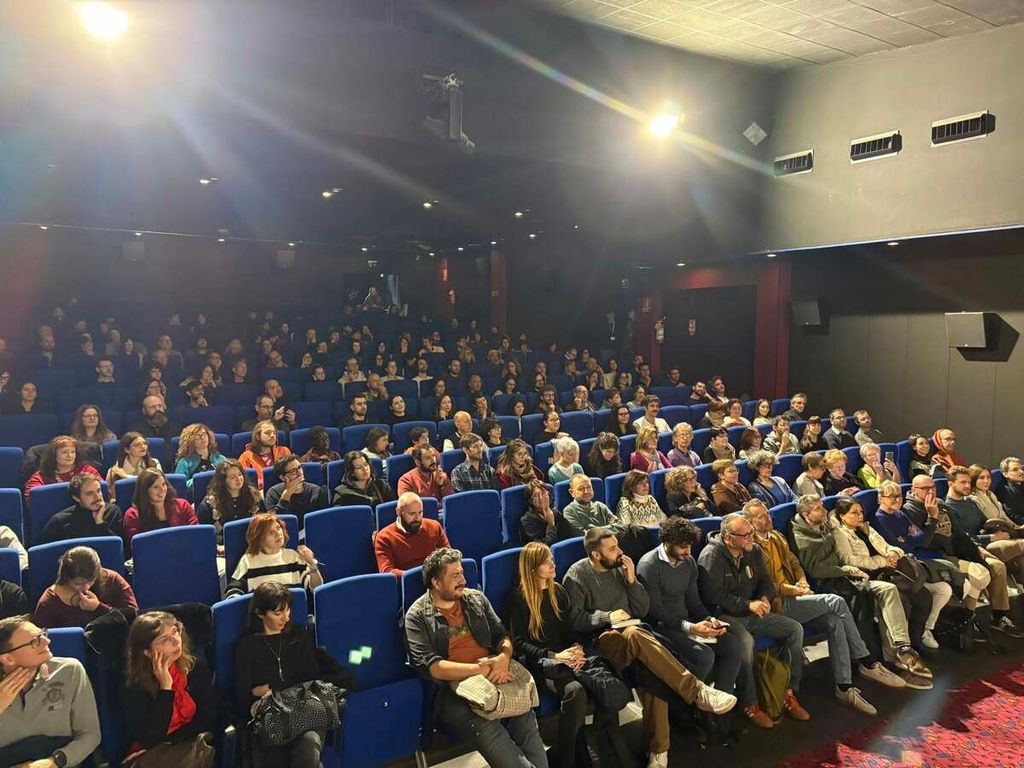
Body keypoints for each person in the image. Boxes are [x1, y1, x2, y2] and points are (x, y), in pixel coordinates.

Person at [563, 528, 737, 767]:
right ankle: (697, 691)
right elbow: (574, 620)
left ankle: (659, 751)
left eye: (618, 545)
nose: (620, 551)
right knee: (636, 634)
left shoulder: (620, 569)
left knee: (654, 676)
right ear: (595, 555)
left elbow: (642, 609)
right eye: (612, 549)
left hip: (634, 634)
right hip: (603, 640)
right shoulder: (577, 575)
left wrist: (632, 581)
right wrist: (606, 616)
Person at [743, 500, 905, 711]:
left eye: (767, 514)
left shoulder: (777, 537)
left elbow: (794, 562)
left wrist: (802, 581)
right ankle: (865, 658)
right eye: (762, 517)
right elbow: (762, 585)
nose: (769, 518)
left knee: (834, 621)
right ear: (750, 522)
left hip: (796, 594)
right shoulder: (751, 547)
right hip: (778, 603)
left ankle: (844, 687)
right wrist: (793, 589)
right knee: (835, 601)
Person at [405, 548, 549, 768]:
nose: (463, 580)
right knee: (493, 734)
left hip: (496, 675)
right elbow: (433, 666)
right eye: (455, 576)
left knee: (526, 721)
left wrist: (503, 658)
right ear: (436, 582)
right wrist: (480, 670)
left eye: (462, 573)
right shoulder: (416, 616)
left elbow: (502, 636)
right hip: (454, 691)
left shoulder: (475, 598)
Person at [790, 495, 932, 686]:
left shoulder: (825, 525)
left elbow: (837, 520)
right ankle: (870, 662)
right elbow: (816, 570)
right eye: (818, 508)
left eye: (822, 506)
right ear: (806, 515)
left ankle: (900, 649)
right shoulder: (803, 537)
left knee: (891, 592)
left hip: (848, 577)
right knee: (865, 602)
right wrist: (846, 570)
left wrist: (885, 550)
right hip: (830, 583)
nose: (824, 510)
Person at [509, 541, 630, 767]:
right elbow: (520, 643)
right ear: (533, 568)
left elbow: (570, 630)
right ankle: (571, 757)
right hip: (544, 663)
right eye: (546, 562)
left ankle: (597, 747)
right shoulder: (520, 598)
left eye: (551, 559)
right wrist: (555, 656)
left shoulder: (558, 591)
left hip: (568, 656)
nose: (553, 564)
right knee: (576, 692)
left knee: (604, 681)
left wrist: (576, 648)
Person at [636, 518, 764, 726]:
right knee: (704, 655)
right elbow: (654, 611)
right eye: (683, 547)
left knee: (733, 645)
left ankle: (718, 710)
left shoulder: (688, 562)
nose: (688, 552)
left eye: (689, 546)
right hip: (662, 628)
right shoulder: (649, 565)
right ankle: (687, 710)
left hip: (686, 623)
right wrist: (689, 627)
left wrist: (708, 619)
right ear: (667, 542)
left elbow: (694, 601)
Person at [697, 513, 810, 722]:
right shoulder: (711, 557)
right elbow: (712, 595)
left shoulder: (753, 550)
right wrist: (747, 604)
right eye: (746, 535)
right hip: (725, 615)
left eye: (751, 532)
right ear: (728, 537)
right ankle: (749, 702)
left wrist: (765, 598)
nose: (751, 537)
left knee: (794, 629)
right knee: (746, 643)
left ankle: (788, 691)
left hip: (753, 612)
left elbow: (765, 581)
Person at [234, 582, 341, 768]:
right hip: (271, 719)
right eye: (278, 613)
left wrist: (271, 689)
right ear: (260, 613)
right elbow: (241, 696)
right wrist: (257, 693)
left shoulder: (299, 637)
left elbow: (312, 678)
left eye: (288, 610)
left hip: (305, 710)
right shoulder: (247, 647)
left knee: (309, 744)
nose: (286, 617)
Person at [831, 497, 950, 652]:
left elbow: (887, 546)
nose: (860, 516)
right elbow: (848, 559)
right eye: (854, 513)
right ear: (842, 516)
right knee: (904, 601)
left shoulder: (867, 528)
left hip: (890, 570)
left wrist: (894, 553)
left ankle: (916, 638)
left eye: (861, 512)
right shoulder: (840, 533)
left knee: (924, 597)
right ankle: (899, 648)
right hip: (870, 575)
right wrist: (882, 561)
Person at [0, 616, 101, 768]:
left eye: (43, 634)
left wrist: (54, 761)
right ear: (8, 659)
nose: (47, 641)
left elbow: (90, 734)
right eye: (34, 641)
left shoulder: (69, 670)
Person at [122, 611, 217, 761]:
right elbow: (152, 739)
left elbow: (209, 716)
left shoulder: (196, 668)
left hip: (191, 745)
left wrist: (175, 741)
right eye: (164, 639)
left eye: (175, 631)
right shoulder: (134, 687)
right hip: (154, 754)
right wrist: (165, 688)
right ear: (147, 652)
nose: (175, 640)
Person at [946, 465, 1024, 584]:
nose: (967, 486)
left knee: (1020, 560)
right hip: (979, 546)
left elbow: (985, 522)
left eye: (968, 482)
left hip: (991, 538)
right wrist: (992, 537)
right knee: (1021, 545)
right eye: (962, 482)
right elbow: (963, 538)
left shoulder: (969, 502)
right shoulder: (949, 507)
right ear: (951, 484)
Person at [34, 546, 137, 629]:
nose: (86, 587)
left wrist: (98, 608)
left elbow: (135, 620)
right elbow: (43, 639)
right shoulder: (48, 602)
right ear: (66, 578)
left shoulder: (112, 580)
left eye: (91, 581)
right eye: (77, 584)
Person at [226, 514, 323, 596]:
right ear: (259, 539)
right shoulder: (248, 560)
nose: (278, 533)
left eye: (278, 528)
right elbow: (233, 591)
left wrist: (312, 565)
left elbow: (315, 588)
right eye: (271, 532)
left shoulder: (293, 556)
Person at [375, 492, 450, 576]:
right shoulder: (384, 537)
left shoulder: (434, 526)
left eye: (420, 512)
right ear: (399, 512)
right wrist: (415, 576)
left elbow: (449, 557)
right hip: (406, 582)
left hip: (435, 579)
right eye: (412, 514)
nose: (417, 518)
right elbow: (387, 571)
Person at [123, 469, 200, 549]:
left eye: (163, 484)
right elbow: (137, 547)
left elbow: (196, 534)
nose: (162, 489)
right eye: (156, 487)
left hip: (184, 551)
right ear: (145, 490)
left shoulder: (183, 505)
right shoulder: (132, 515)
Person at [196, 459, 264, 547]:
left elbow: (265, 523)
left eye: (240, 474)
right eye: (232, 477)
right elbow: (205, 535)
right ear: (223, 480)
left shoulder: (255, 497)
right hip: (222, 548)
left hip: (253, 545)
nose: (238, 479)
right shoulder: (209, 504)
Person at [40, 473, 124, 544]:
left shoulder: (112, 511)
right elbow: (46, 553)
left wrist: (100, 523)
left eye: (98, 491)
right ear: (76, 498)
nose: (97, 497)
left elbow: (120, 548)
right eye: (90, 494)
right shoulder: (60, 522)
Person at [24, 436, 102, 503]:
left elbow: (102, 489)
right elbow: (31, 498)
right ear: (54, 455)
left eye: (73, 452)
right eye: (64, 452)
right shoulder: (41, 476)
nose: (69, 455)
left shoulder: (87, 470)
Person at [265, 456, 330, 525]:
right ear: (283, 477)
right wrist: (286, 495)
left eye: (300, 467)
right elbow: (273, 524)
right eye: (293, 471)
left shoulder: (317, 491)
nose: (300, 473)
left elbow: (324, 520)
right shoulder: (273, 493)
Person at [238, 420, 292, 491]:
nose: (272, 435)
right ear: (258, 436)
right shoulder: (246, 457)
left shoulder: (284, 451)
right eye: (268, 433)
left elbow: (292, 474)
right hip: (258, 493)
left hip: (283, 490)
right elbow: (244, 482)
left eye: (274, 433)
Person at [519, 479, 569, 545]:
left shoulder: (556, 513)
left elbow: (567, 538)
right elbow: (541, 547)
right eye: (536, 495)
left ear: (548, 495)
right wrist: (551, 524)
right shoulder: (526, 521)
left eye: (543, 493)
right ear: (531, 500)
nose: (541, 498)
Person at [997, 456, 1024, 525]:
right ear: (1005, 474)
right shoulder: (1006, 492)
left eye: (1021, 469)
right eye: (1015, 470)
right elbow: (1013, 516)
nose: (1021, 472)